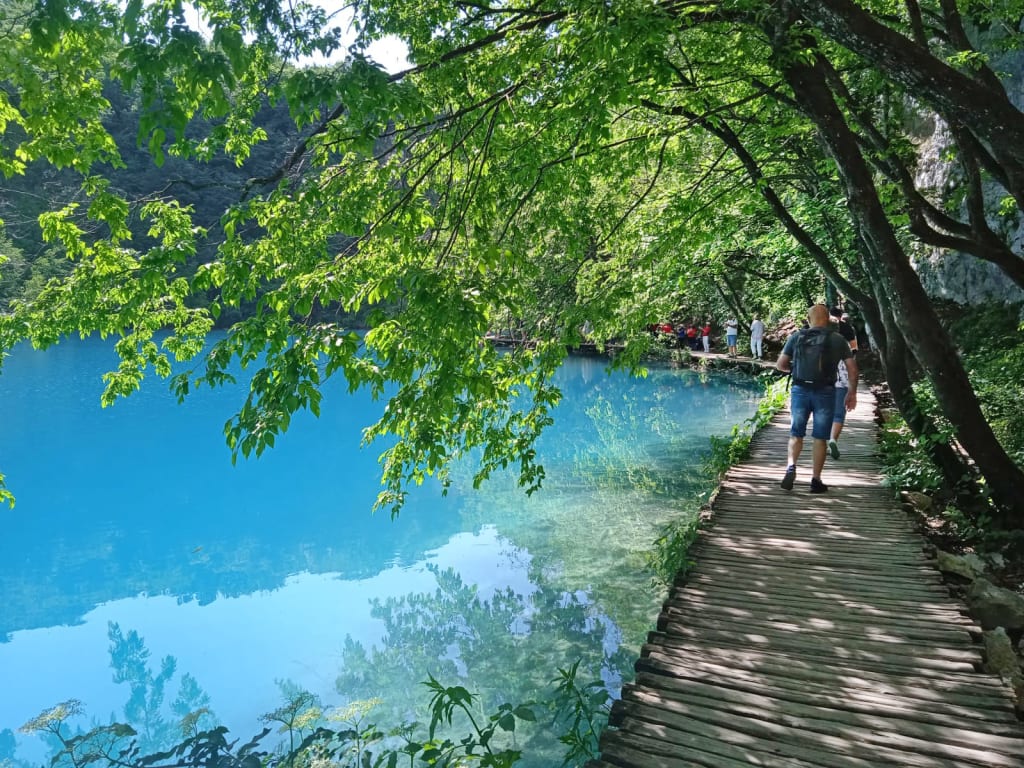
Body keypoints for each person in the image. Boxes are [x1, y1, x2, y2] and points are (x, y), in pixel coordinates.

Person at [776, 304, 858, 493]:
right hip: (825, 392)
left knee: (796, 434)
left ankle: (791, 466)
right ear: (828, 319)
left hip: (800, 390)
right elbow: (853, 370)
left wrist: (795, 369)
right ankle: (815, 480)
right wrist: (851, 393)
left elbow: (780, 364)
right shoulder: (837, 339)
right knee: (820, 438)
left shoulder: (796, 337)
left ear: (808, 319)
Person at [828, 308, 858, 459]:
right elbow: (854, 349)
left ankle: (821, 439)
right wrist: (853, 391)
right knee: (839, 414)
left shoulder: (821, 339)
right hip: (842, 380)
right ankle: (833, 439)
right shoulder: (846, 332)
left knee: (824, 411)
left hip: (823, 382)